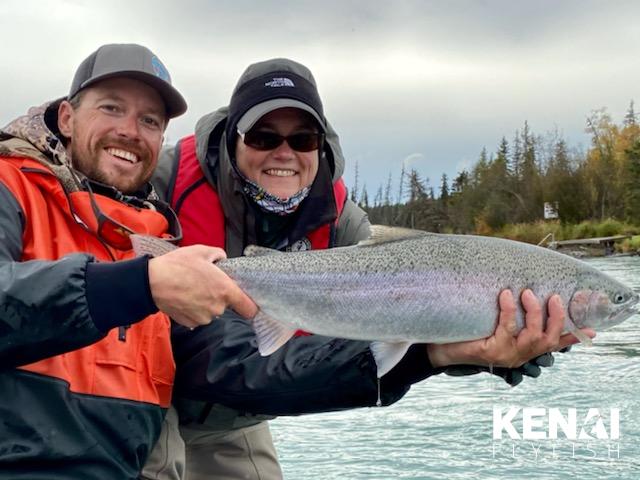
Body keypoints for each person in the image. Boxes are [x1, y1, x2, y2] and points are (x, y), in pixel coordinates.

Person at [142, 58, 594, 480]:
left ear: (320, 145)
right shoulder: (157, 181)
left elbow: (405, 318)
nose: (284, 152)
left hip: (234, 415)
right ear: (233, 139)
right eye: (263, 137)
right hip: (143, 388)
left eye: (303, 139)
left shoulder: (341, 222)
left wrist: (479, 356)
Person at [0, 43, 257, 479]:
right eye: (112, 107)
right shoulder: (9, 185)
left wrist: (393, 363)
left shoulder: (155, 241)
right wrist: (140, 285)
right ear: (66, 118)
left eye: (150, 121)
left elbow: (240, 364)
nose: (130, 131)